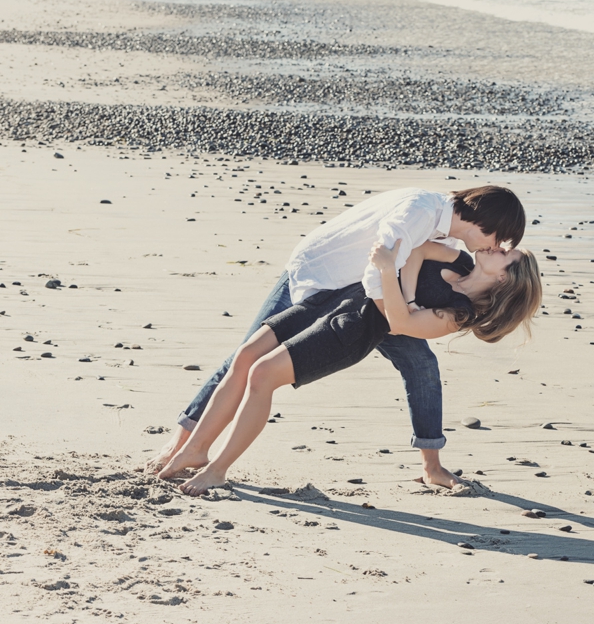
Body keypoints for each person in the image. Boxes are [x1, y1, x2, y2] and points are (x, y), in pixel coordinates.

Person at [144, 186, 526, 482]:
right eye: (501, 239)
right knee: (244, 359)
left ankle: (432, 465)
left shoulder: (445, 244)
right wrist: (399, 294)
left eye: (505, 249)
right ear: (488, 223)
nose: (499, 247)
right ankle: (186, 444)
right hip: (323, 281)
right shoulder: (424, 215)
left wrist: (399, 302)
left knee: (421, 366)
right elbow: (388, 259)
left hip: (360, 311)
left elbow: (396, 282)